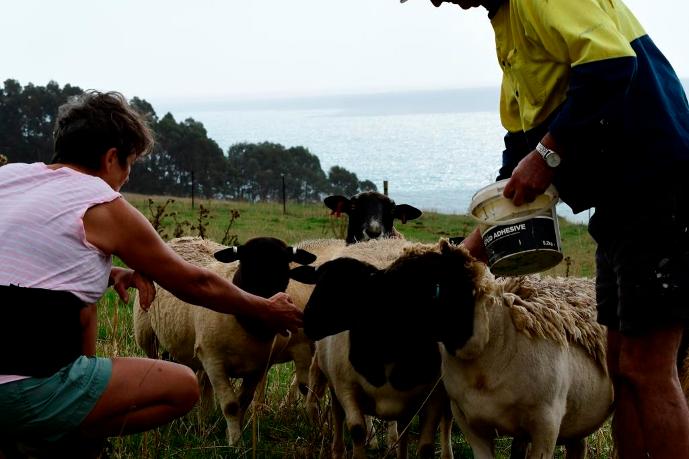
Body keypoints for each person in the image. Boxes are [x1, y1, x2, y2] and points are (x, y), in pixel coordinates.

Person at [405, 0, 689, 457]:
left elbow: (614, 64)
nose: (437, 1)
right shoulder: (507, 22)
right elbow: (520, 149)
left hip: (660, 190)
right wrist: (461, 256)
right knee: (620, 368)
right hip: (618, 204)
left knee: (647, 367)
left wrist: (547, 155)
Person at [0, 91, 304, 458]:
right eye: (129, 164)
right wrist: (264, 309)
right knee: (182, 387)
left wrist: (108, 272)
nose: (126, 177)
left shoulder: (8, 178)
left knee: (81, 304)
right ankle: (56, 441)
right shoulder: (100, 201)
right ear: (111, 158)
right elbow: (194, 282)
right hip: (22, 390)